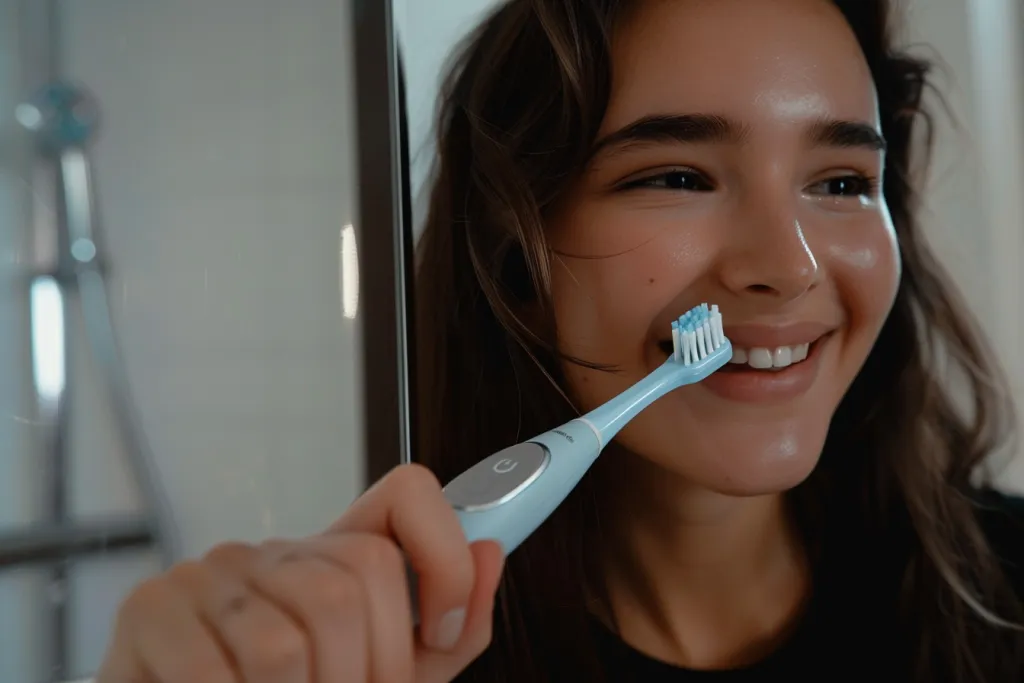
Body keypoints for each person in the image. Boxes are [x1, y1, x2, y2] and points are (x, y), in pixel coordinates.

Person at [96, 0, 1024, 681]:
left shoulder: (1007, 589)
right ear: (516, 256)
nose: (787, 266)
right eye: (677, 175)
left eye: (841, 183)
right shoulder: (393, 652)